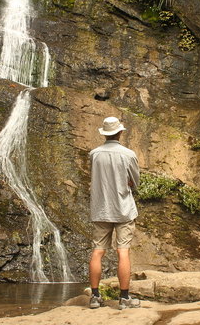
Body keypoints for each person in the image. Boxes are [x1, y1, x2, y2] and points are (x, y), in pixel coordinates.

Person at [88, 116, 141, 310]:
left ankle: (94, 297)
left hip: (101, 209)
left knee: (98, 251)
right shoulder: (128, 154)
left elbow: (93, 177)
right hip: (123, 210)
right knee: (123, 251)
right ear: (120, 132)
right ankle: (124, 299)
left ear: (104, 133)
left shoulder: (94, 154)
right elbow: (135, 181)